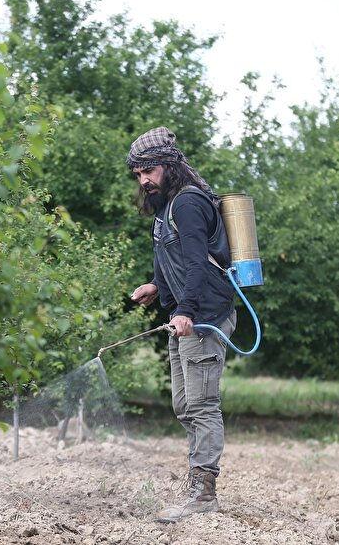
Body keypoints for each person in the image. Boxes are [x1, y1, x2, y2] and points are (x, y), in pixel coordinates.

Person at [127, 126, 236, 523]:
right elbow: (171, 259)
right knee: (183, 404)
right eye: (138, 174)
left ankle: (203, 492)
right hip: (182, 317)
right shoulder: (165, 207)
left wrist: (186, 310)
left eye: (149, 171)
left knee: (203, 405)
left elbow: (195, 262)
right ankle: (197, 482)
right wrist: (156, 285)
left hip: (203, 318)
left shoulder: (188, 203)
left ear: (169, 166)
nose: (144, 180)